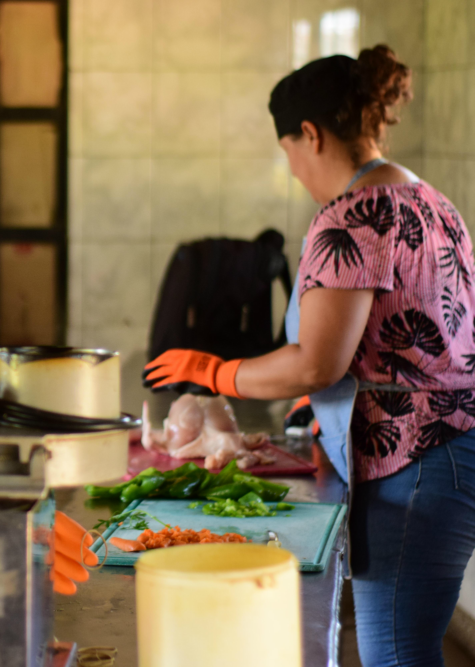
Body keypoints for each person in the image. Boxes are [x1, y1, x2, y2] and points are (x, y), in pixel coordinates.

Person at [144, 46, 475, 667]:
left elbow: (316, 362)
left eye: (289, 150)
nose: (294, 168)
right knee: (407, 647)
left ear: (311, 135)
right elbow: (397, 344)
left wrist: (216, 372)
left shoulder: (349, 221)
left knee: (395, 655)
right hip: (450, 452)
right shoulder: (432, 202)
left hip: (415, 464)